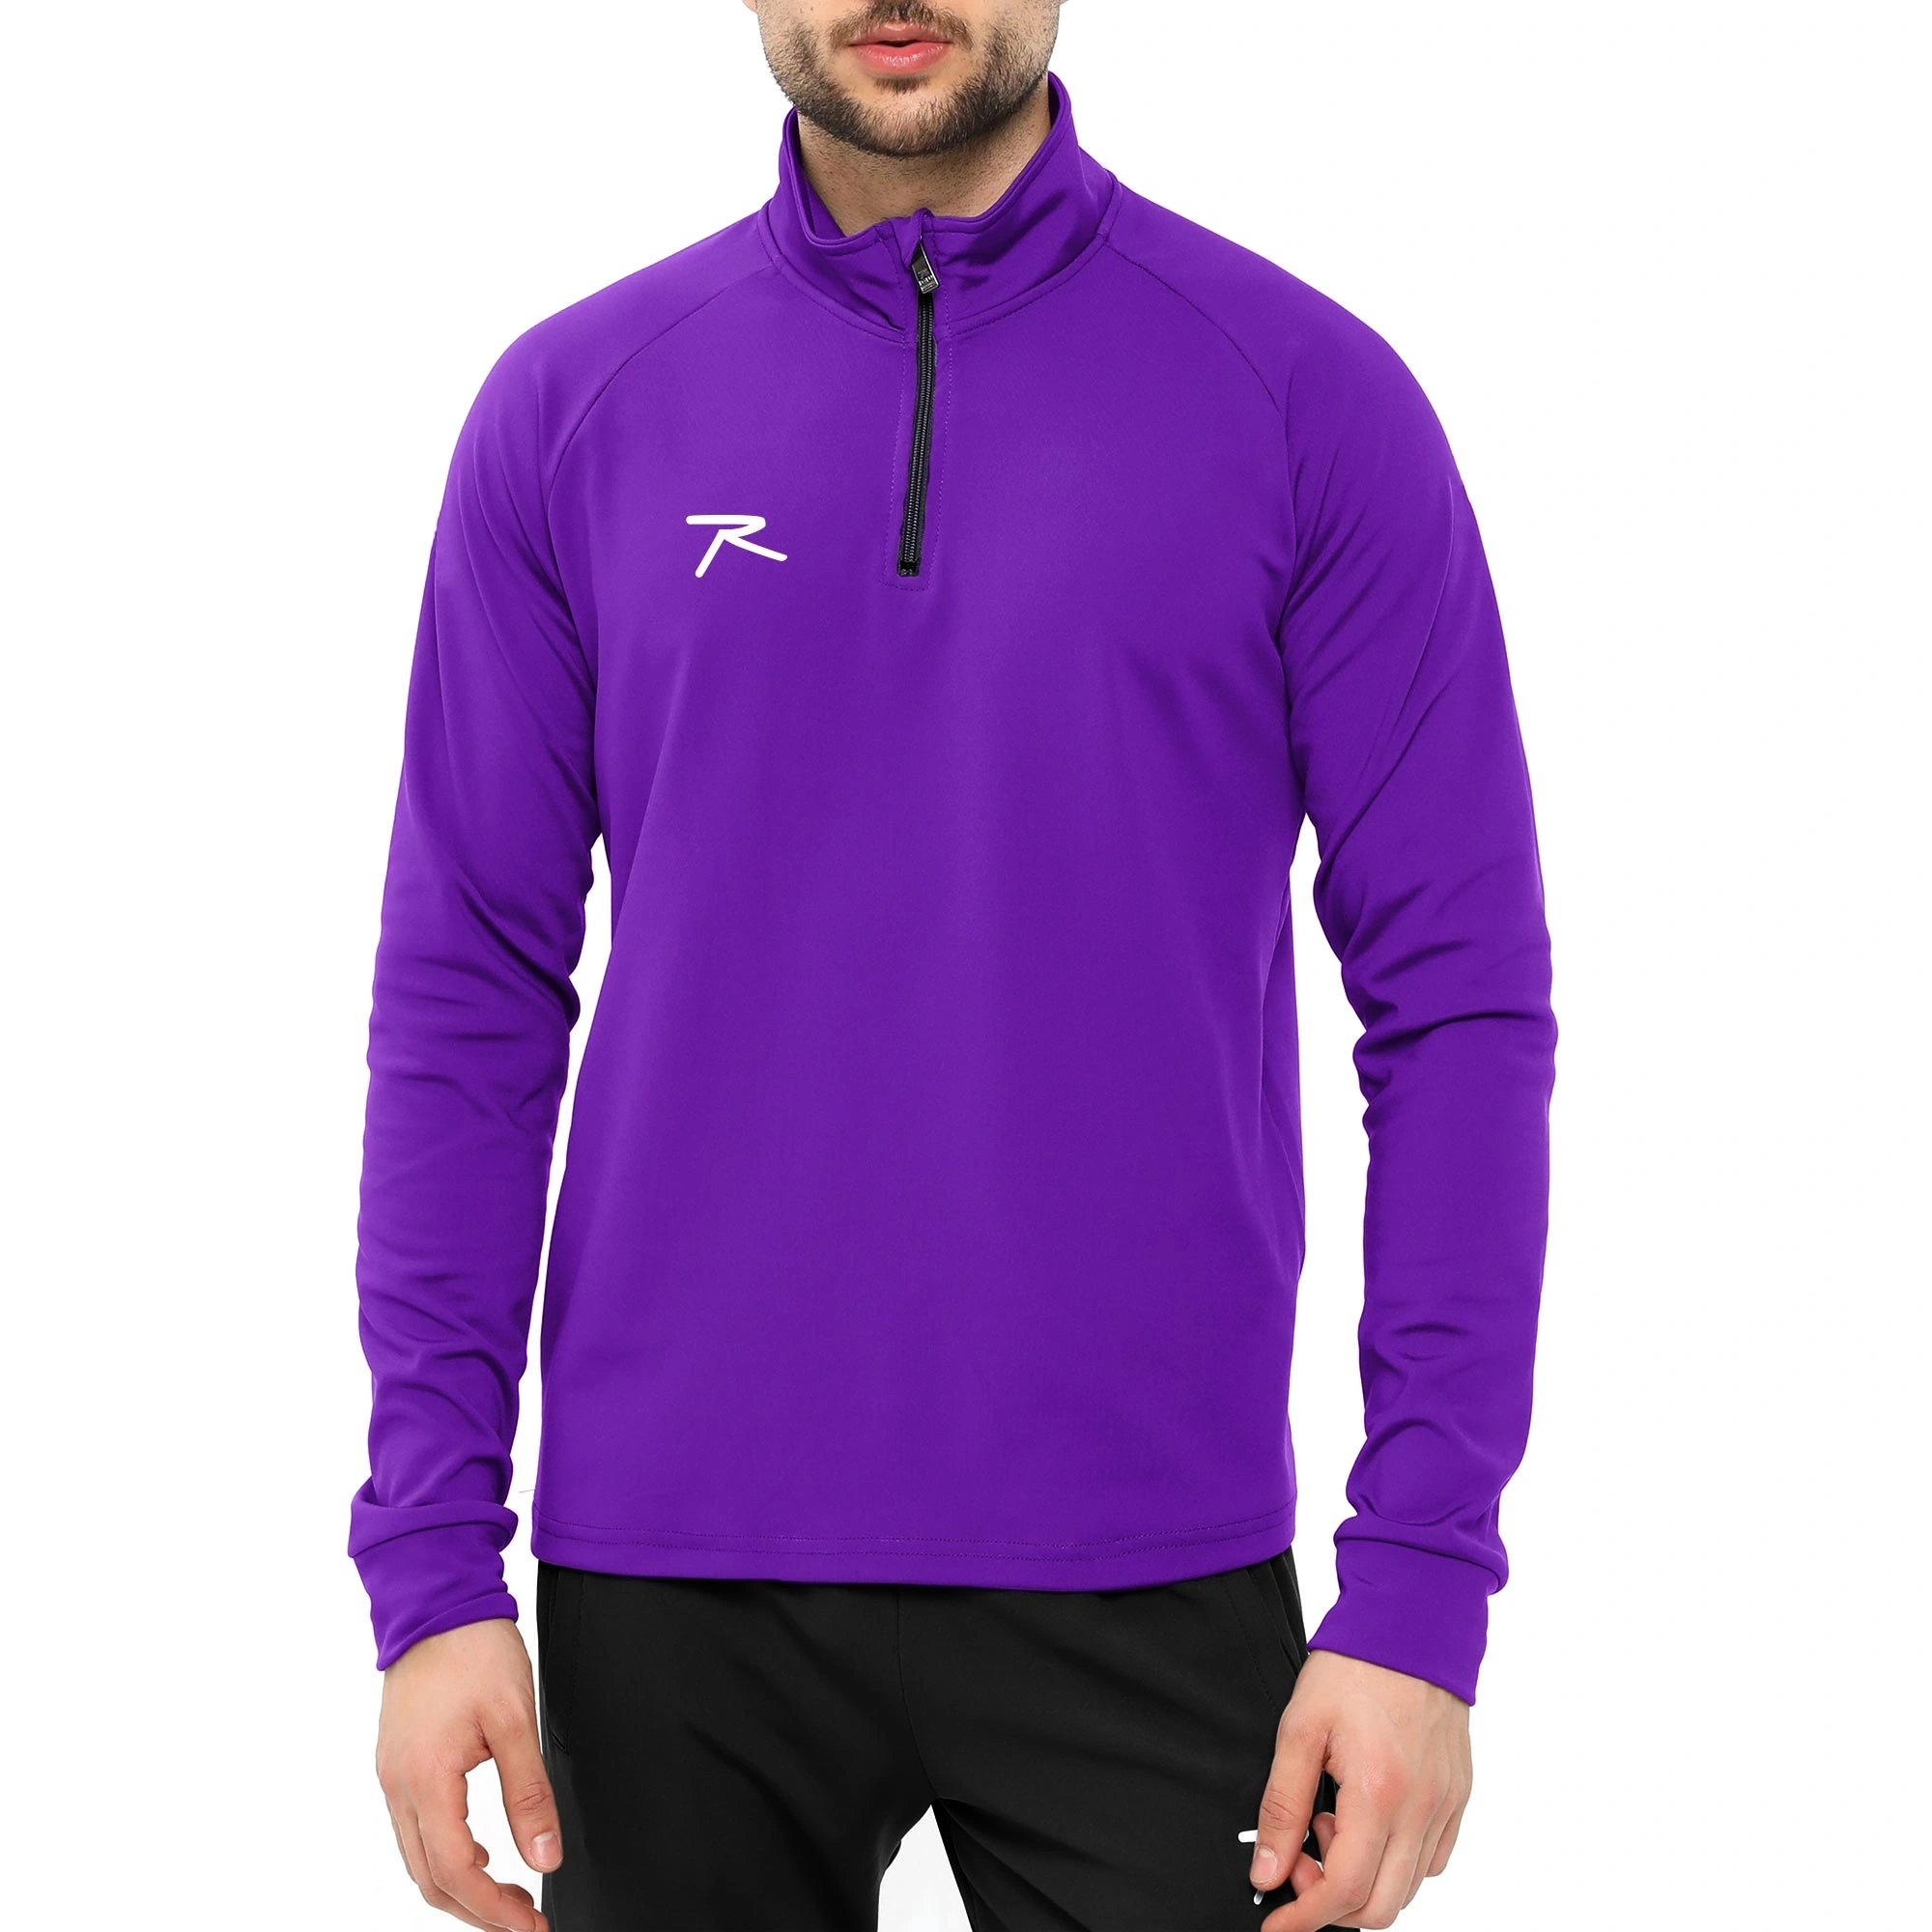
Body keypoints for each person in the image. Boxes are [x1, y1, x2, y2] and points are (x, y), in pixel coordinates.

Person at [350, 4, 1557, 1926]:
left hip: (1150, 1564)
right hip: (669, 1595)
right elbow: (466, 1000)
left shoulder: (1302, 398)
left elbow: (1459, 1003)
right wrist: (431, 1567)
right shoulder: (578, 407)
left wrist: (1419, 1585)